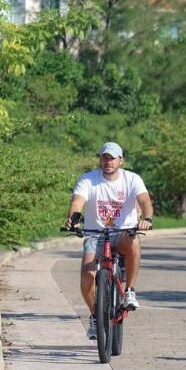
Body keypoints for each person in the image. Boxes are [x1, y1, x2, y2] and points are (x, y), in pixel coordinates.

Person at [65, 142, 154, 340]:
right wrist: (74, 219)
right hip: (95, 234)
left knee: (133, 242)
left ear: (121, 161)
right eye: (105, 157)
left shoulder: (132, 179)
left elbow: (145, 202)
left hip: (123, 232)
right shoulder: (88, 179)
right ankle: (96, 316)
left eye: (113, 158)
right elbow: (77, 202)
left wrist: (146, 218)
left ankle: (129, 290)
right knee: (87, 276)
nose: (108, 161)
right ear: (100, 159)